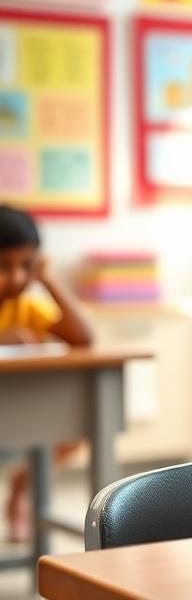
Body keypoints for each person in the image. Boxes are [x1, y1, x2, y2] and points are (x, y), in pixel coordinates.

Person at [0, 205, 93, 542]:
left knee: (76, 429)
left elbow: (84, 336)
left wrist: (49, 279)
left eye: (26, 266)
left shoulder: (24, 305)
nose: (16, 279)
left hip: (19, 411)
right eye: (3, 266)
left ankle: (24, 482)